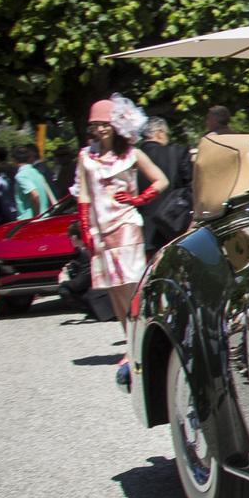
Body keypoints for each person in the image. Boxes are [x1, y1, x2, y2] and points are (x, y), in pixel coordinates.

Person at [72, 97, 169, 348]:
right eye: (97, 124)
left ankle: (142, 342)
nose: (102, 128)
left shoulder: (132, 154)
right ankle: (131, 343)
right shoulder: (86, 156)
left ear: (117, 124)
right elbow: (83, 193)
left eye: (106, 123)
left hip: (126, 224)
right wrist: (85, 227)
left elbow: (161, 180)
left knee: (130, 284)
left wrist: (138, 199)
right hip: (99, 228)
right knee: (112, 288)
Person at [136, 118, 193, 255]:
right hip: (175, 226)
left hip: (142, 233)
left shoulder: (130, 158)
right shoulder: (177, 153)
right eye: (166, 134)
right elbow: (192, 187)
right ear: (159, 133)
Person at [10, 143, 56, 220]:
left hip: (29, 222)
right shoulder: (36, 173)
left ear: (13, 160)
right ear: (28, 158)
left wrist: (37, 216)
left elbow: (34, 194)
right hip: (45, 218)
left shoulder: (21, 176)